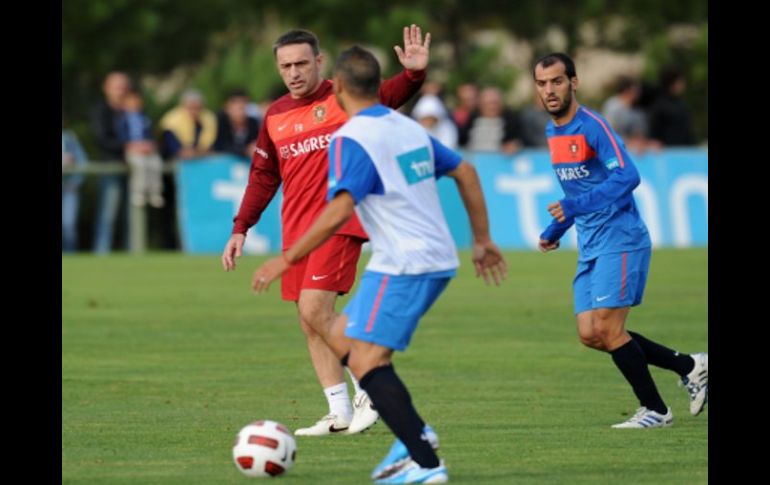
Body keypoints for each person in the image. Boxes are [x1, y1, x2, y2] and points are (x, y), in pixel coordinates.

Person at [252, 45, 507, 483]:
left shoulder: (352, 139)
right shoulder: (405, 128)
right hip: (427, 258)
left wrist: (287, 256)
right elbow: (465, 171)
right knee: (350, 341)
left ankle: (425, 462)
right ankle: (414, 436)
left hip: (407, 263)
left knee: (366, 362)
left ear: (341, 89)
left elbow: (341, 206)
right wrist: (482, 240)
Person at [221, 26, 432, 437]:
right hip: (298, 232)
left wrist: (414, 76)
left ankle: (370, 386)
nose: (294, 72)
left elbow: (388, 95)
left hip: (340, 223)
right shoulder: (276, 115)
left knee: (314, 310)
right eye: (286, 66)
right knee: (309, 321)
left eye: (302, 63)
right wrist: (241, 226)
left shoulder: (345, 96)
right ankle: (339, 411)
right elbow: (264, 175)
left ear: (320, 61)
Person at [533, 53, 708, 428]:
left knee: (609, 329)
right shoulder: (552, 132)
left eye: (557, 81)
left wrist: (573, 206)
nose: (549, 90)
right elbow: (574, 189)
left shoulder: (593, 125)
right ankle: (690, 365)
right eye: (542, 83)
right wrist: (554, 231)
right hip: (590, 241)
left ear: (573, 83)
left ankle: (656, 410)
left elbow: (628, 176)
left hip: (620, 236)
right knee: (590, 333)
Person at [91, 71, 131, 253]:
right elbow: (101, 138)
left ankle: (135, 252)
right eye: (117, 87)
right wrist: (127, 147)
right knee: (107, 214)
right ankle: (102, 251)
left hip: (133, 168)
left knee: (132, 215)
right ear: (106, 89)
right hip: (111, 167)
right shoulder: (101, 110)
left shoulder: (133, 109)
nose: (121, 91)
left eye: (123, 87)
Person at [119, 88, 165, 208]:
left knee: (156, 164)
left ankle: (155, 193)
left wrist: (150, 145)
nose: (134, 104)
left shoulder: (145, 118)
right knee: (140, 166)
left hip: (148, 150)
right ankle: (139, 192)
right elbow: (122, 137)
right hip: (133, 150)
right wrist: (133, 146)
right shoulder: (123, 120)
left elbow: (152, 135)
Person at [62, 127, 88, 252]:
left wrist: (76, 181)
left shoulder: (69, 139)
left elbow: (82, 161)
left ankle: (69, 256)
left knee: (68, 224)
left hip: (68, 187)